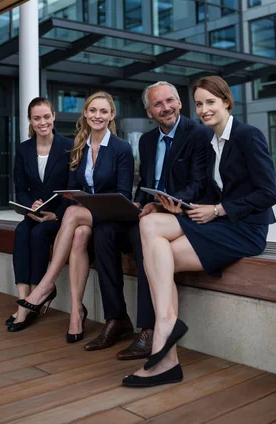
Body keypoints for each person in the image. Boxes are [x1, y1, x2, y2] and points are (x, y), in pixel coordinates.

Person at [123, 76, 276, 387]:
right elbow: (210, 192)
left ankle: (164, 338)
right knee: (149, 224)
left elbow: (268, 193)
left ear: (226, 102)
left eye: (210, 102)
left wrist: (218, 210)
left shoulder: (247, 135)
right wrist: (183, 206)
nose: (204, 109)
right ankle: (167, 343)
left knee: (157, 254)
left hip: (245, 229)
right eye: (200, 104)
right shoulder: (210, 142)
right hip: (220, 222)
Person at [84, 81, 209, 357]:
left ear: (179, 103)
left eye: (169, 101)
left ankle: (150, 328)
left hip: (178, 215)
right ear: (150, 113)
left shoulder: (198, 134)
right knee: (104, 231)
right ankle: (116, 319)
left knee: (145, 236)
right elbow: (144, 182)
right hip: (149, 211)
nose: (165, 108)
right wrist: (138, 203)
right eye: (158, 104)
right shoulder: (147, 140)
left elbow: (198, 184)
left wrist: (161, 205)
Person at [18, 91, 134, 343]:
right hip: (86, 221)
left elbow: (124, 195)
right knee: (79, 233)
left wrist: (86, 205)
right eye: (92, 110)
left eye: (104, 111)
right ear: (85, 113)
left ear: (112, 115)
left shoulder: (121, 148)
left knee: (72, 213)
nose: (97, 116)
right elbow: (73, 191)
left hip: (113, 217)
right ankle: (76, 311)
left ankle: (45, 285)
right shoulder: (78, 148)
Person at [8, 97, 73, 332]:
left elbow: (75, 189)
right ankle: (23, 302)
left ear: (54, 116)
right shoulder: (24, 149)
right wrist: (30, 204)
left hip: (58, 217)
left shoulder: (68, 146)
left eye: (47, 116)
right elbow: (20, 188)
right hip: (33, 214)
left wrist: (56, 215)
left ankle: (37, 295)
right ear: (30, 120)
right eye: (37, 118)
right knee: (22, 231)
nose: (42, 122)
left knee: (39, 235)